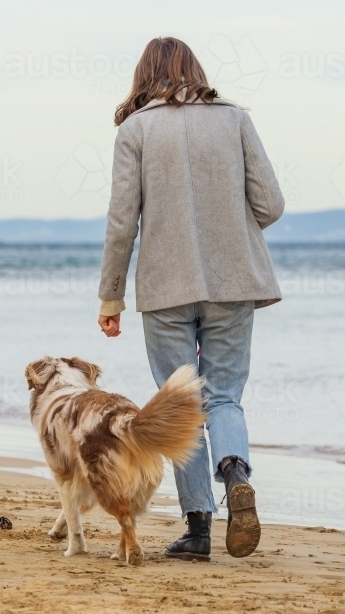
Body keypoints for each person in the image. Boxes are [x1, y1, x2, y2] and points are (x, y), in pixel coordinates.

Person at [97, 37, 284, 560]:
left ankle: (198, 530)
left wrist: (110, 297)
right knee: (224, 396)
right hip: (233, 281)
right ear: (194, 70)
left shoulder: (134, 129)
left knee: (180, 406)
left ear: (143, 76)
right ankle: (236, 473)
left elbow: (121, 223)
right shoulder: (234, 119)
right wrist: (228, 221)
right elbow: (271, 204)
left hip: (165, 286)